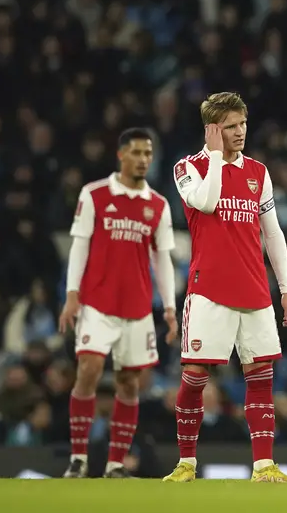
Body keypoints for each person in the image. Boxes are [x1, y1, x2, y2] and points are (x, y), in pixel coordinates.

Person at [163, 92, 287, 483]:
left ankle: (263, 466)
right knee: (194, 376)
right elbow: (206, 204)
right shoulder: (187, 167)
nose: (239, 132)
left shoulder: (259, 171)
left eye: (242, 124)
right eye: (230, 126)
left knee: (260, 375)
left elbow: (272, 233)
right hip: (208, 291)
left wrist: (286, 288)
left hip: (255, 290)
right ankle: (186, 463)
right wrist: (215, 157)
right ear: (212, 130)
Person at [58, 127, 177, 478]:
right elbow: (80, 244)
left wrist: (169, 306)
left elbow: (163, 260)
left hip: (138, 308)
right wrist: (71, 294)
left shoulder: (158, 205)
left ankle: (115, 464)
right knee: (90, 369)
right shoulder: (94, 195)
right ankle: (78, 457)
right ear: (121, 154)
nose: (143, 159)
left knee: (129, 383)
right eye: (137, 152)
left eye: (148, 154)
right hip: (97, 303)